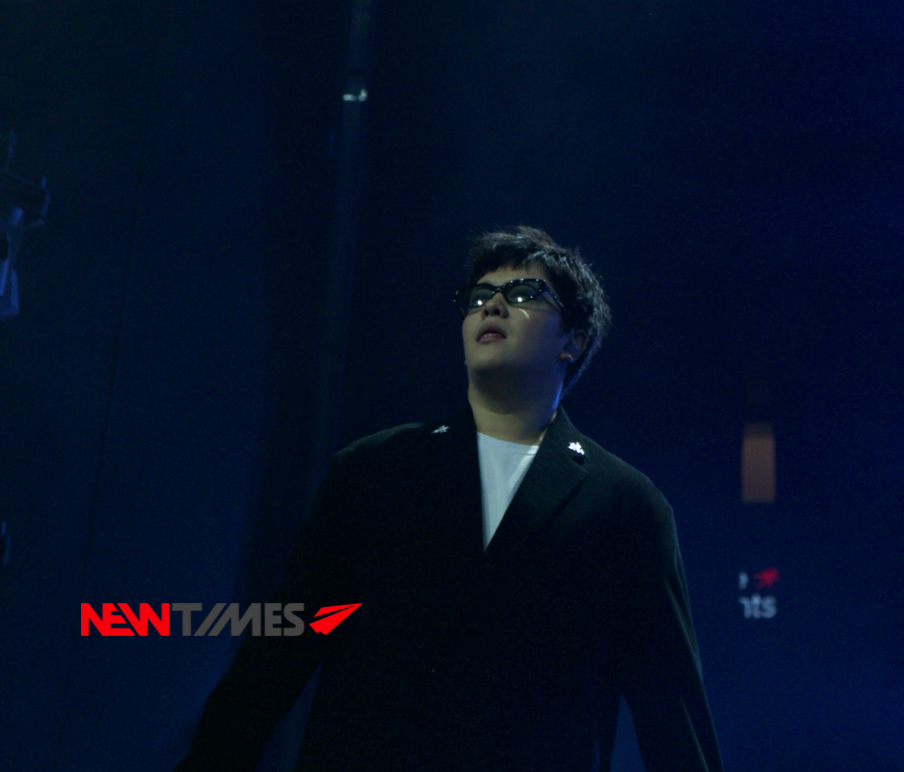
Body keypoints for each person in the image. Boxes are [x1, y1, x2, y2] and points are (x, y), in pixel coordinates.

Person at [176, 226, 723, 771]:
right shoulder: (373, 470)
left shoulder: (626, 504)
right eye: (479, 296)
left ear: (573, 342)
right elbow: (274, 655)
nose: (493, 306)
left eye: (524, 293)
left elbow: (670, 705)